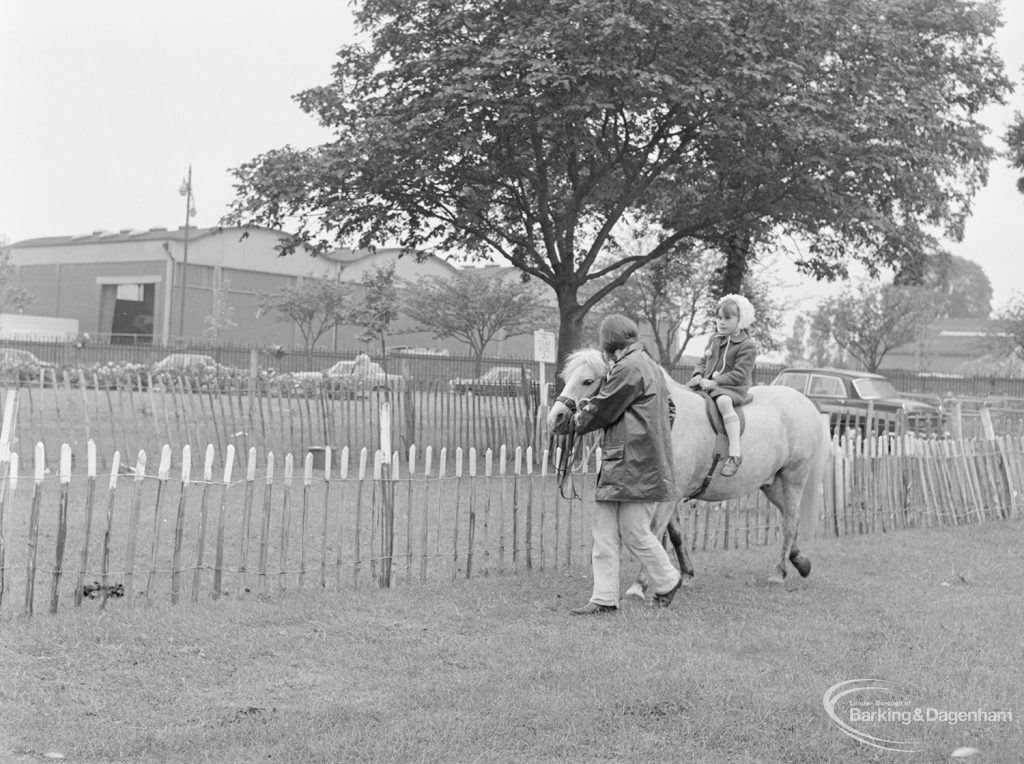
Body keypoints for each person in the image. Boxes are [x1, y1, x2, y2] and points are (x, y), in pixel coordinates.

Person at [569, 314, 682, 615]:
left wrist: (576, 420)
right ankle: (605, 597)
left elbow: (603, 408)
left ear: (609, 344)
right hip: (634, 462)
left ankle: (668, 580)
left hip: (629, 464)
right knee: (610, 529)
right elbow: (669, 410)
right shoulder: (650, 366)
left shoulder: (628, 367)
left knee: (631, 531)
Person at [687, 294, 757, 477]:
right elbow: (703, 361)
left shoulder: (747, 345)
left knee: (724, 402)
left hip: (732, 388)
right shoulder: (715, 340)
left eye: (728, 318)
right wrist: (698, 375)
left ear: (740, 320)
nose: (722, 322)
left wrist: (715, 381)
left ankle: (734, 453)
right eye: (719, 318)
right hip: (708, 383)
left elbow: (740, 374)